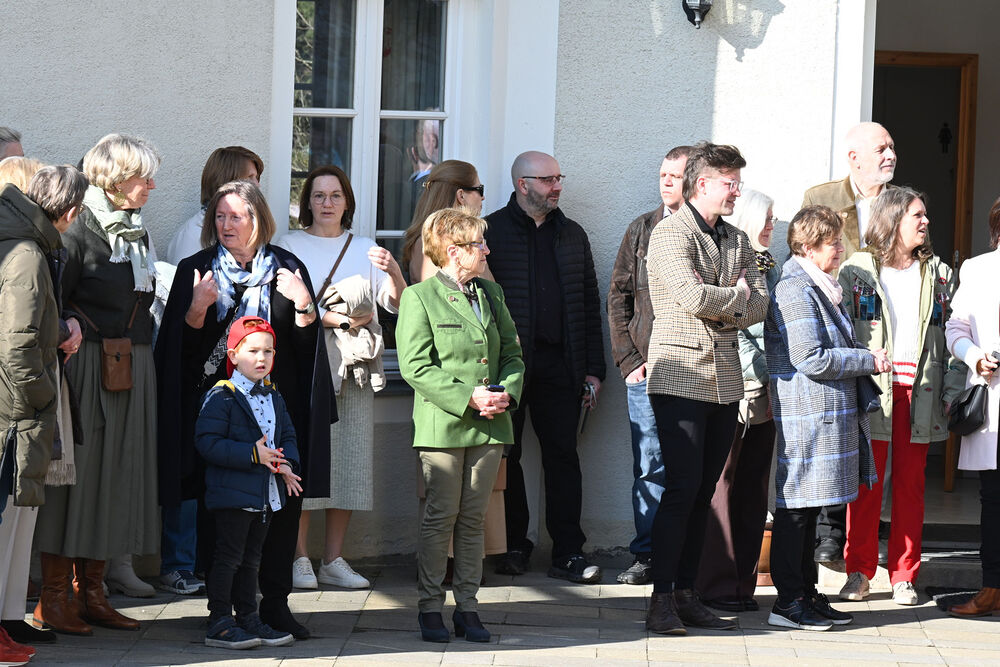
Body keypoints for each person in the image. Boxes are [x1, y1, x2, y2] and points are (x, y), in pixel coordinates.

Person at [155, 180, 334, 640]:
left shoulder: (287, 268)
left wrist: (304, 306)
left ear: (258, 220)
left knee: (280, 513)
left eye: (236, 216)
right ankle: (224, 612)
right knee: (226, 519)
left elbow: (306, 355)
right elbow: (178, 358)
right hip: (222, 415)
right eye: (220, 216)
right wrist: (196, 312)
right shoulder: (196, 270)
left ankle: (273, 607)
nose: (226, 225)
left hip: (276, 411)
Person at [34, 134, 162, 635]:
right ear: (114, 178)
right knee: (76, 480)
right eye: (142, 176)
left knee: (115, 478)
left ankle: (92, 593)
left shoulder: (134, 231)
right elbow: (50, 301)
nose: (151, 185)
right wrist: (69, 325)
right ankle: (53, 598)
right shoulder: (77, 229)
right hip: (86, 369)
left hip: (130, 365)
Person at [643, 142, 768, 635]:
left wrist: (731, 299)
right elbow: (690, 295)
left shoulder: (737, 239)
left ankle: (686, 594)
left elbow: (759, 304)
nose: (737, 191)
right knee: (682, 488)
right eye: (730, 183)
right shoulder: (670, 234)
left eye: (738, 182)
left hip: (726, 381)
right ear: (702, 184)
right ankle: (660, 600)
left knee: (703, 492)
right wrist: (734, 295)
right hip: (680, 376)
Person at [396, 208, 525, 643]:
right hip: (445, 424)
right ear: (454, 251)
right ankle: (430, 607)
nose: (486, 250)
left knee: (473, 519)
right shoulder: (419, 297)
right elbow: (415, 366)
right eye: (478, 244)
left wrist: (506, 393)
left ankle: (468, 607)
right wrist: (469, 396)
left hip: (490, 423)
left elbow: (512, 355)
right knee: (441, 516)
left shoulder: (491, 293)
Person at [277, 165, 404, 590]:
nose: (327, 203)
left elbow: (394, 304)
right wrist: (338, 319)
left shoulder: (366, 249)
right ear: (306, 202)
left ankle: (332, 559)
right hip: (305, 365)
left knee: (349, 463)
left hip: (353, 370)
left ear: (347, 201)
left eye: (335, 195)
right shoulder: (289, 245)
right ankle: (298, 558)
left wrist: (395, 272)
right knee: (303, 459)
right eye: (318, 195)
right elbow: (282, 306)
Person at [764, 205, 889, 631]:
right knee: (796, 508)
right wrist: (867, 359)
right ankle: (788, 602)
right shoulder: (795, 289)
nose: (839, 249)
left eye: (838, 240)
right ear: (807, 246)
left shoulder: (819, 286)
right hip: (807, 415)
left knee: (810, 507)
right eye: (831, 242)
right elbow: (809, 357)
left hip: (822, 414)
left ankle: (806, 594)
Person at [837, 188, 963, 606]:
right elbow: (841, 330)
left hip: (921, 392)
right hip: (873, 390)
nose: (926, 222)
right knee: (866, 486)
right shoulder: (857, 270)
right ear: (892, 220)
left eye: (925, 215)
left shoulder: (939, 273)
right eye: (917, 215)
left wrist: (952, 389)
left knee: (911, 486)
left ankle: (904, 576)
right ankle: (858, 573)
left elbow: (952, 333)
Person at [485, 150, 605, 583]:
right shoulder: (491, 232)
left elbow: (589, 303)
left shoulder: (572, 234)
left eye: (559, 178)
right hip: (508, 368)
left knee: (562, 457)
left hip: (561, 364)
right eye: (548, 179)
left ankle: (568, 552)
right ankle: (513, 545)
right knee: (508, 455)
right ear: (523, 185)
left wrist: (594, 369)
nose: (557, 186)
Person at [0, 165, 87, 661]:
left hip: (18, 402)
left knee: (20, 512)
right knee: (8, 514)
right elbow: (17, 344)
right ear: (70, 211)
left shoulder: (29, 245)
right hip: (16, 406)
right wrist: (39, 396)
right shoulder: (28, 254)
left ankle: (9, 618)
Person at [801, 122, 897, 562]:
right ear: (853, 157)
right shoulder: (821, 197)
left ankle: (869, 526)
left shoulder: (902, 203)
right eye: (880, 148)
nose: (889, 155)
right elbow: (804, 258)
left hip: (882, 330)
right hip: (835, 326)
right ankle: (829, 531)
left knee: (876, 427)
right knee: (834, 427)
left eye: (891, 148)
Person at [607, 145, 690, 585]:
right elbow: (618, 296)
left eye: (676, 175)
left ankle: (688, 560)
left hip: (694, 371)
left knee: (691, 468)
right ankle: (648, 555)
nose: (666, 182)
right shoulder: (641, 229)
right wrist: (628, 360)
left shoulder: (708, 234)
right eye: (663, 174)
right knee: (650, 465)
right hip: (646, 371)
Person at [695, 188, 780, 612]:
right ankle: (715, 585)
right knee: (723, 487)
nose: (772, 225)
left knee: (753, 488)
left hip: (768, 395)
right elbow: (734, 328)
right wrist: (765, 373)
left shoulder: (770, 265)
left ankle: (743, 584)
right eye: (767, 217)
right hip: (736, 389)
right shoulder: (731, 264)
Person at [196, 317, 300, 650]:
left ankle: (248, 617)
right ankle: (219, 621)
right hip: (233, 494)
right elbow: (207, 443)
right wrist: (252, 454)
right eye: (252, 351)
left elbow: (287, 435)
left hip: (265, 494)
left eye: (268, 351)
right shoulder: (221, 396)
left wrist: (286, 463)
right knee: (228, 558)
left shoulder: (274, 395)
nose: (261, 358)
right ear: (233, 355)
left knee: (252, 559)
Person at [944, 196, 1000, 617]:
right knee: (993, 498)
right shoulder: (977, 269)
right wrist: (974, 356)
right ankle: (991, 588)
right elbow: (956, 327)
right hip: (992, 394)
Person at [165, 146, 264, 265]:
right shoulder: (194, 235)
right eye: (250, 177)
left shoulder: (247, 229)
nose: (257, 185)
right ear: (228, 181)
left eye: (256, 178)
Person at [402, 160, 485, 283]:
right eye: (480, 189)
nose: (483, 197)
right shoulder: (431, 242)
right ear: (461, 196)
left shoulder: (429, 239)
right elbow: (436, 293)